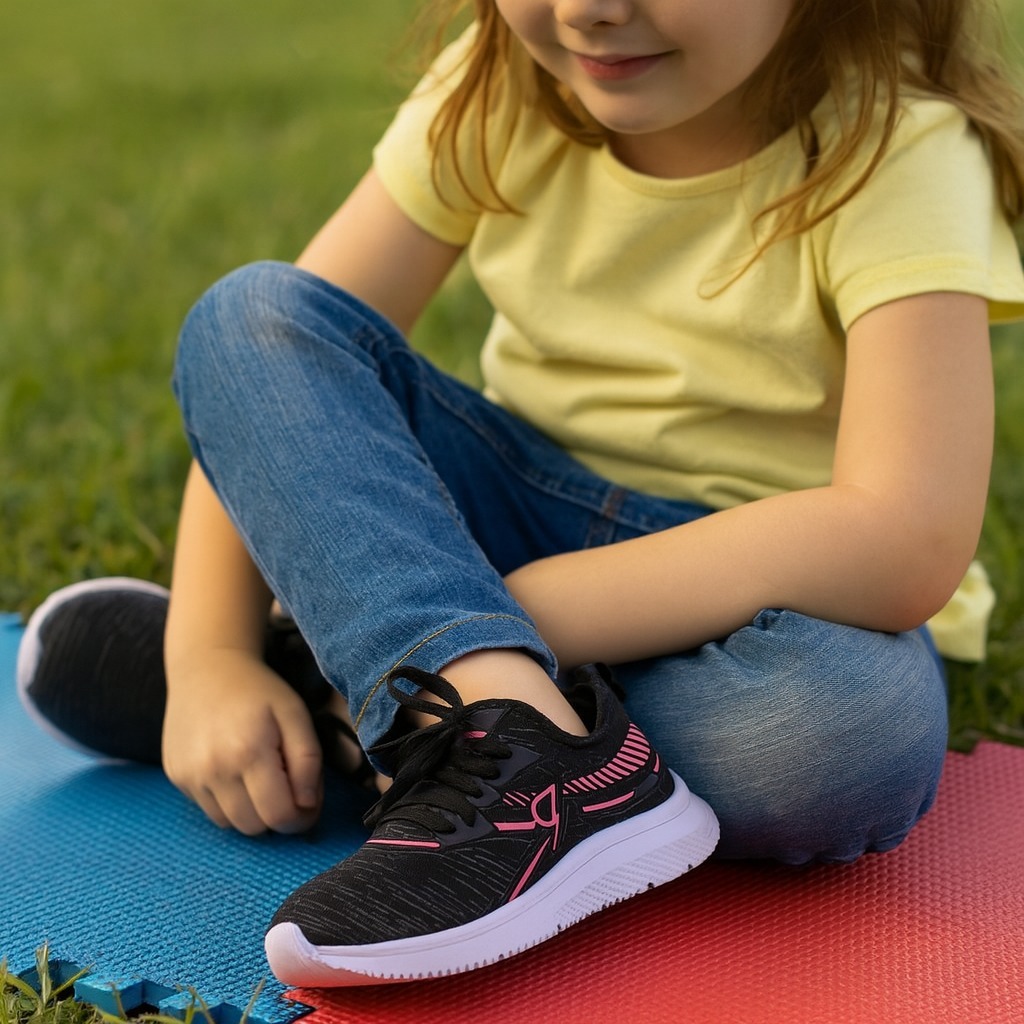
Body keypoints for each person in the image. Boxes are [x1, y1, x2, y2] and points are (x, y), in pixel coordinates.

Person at [18, 0, 1024, 988]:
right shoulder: (499, 87)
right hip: (509, 510)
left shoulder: (896, 152)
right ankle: (467, 716)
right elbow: (267, 362)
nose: (586, 9)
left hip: (765, 603)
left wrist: (493, 623)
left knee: (835, 735)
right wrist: (206, 658)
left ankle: (372, 686)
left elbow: (901, 538)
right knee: (249, 314)